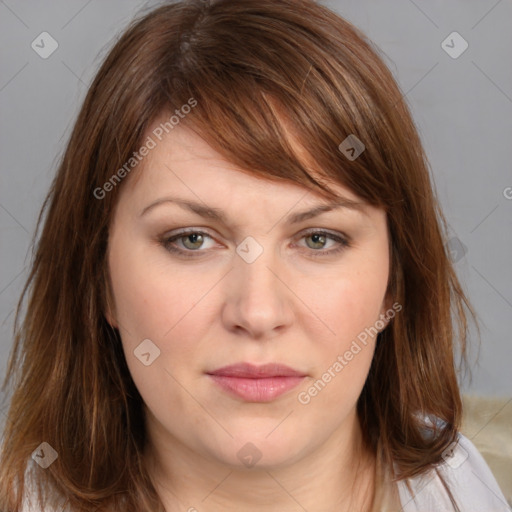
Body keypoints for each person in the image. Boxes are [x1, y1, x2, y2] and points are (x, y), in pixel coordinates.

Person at [0, 0, 509, 511]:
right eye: (191, 239)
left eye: (318, 239)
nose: (258, 313)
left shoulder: (469, 486)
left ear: (394, 281)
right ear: (100, 278)